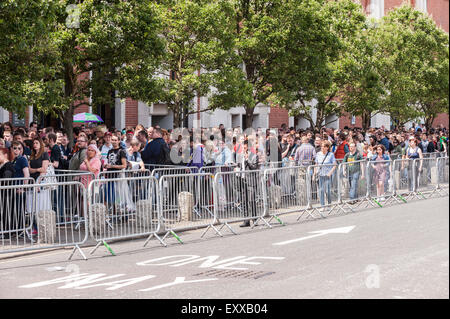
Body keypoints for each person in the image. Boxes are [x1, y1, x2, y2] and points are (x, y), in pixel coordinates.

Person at [313, 140, 337, 209]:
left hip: (328, 175)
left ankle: (329, 204)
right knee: (321, 190)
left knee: (328, 191)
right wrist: (314, 174)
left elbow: (335, 165)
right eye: (321, 146)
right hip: (320, 174)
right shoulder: (318, 154)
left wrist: (330, 173)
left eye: (324, 146)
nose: (322, 148)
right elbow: (316, 164)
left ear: (327, 147)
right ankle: (322, 206)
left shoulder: (331, 155)